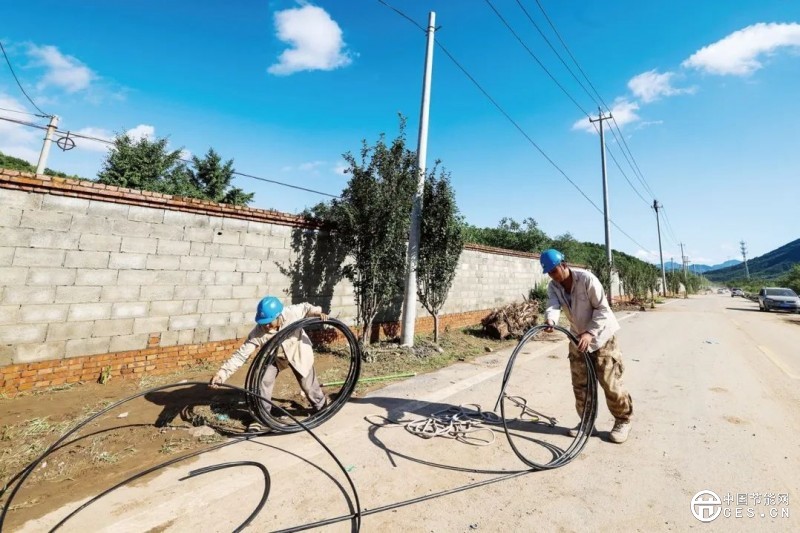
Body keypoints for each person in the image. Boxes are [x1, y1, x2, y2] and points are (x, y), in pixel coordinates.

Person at [540, 249, 634, 444]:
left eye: (554, 271)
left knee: (610, 383)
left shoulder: (587, 280)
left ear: (564, 265)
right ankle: (587, 423)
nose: (552, 276)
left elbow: (603, 309)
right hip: (577, 339)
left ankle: (623, 420)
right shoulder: (554, 286)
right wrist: (550, 320)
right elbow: (553, 305)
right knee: (581, 385)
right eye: (549, 272)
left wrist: (590, 332)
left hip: (601, 337)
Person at [210, 296, 329, 431]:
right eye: (263, 322)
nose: (265, 326)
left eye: (268, 322)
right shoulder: (258, 333)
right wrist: (222, 374)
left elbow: (306, 307)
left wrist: (317, 312)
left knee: (307, 383)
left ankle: (322, 407)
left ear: (278, 316)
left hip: (298, 351)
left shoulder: (291, 313)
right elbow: (241, 355)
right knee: (263, 380)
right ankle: (262, 417)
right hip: (276, 356)